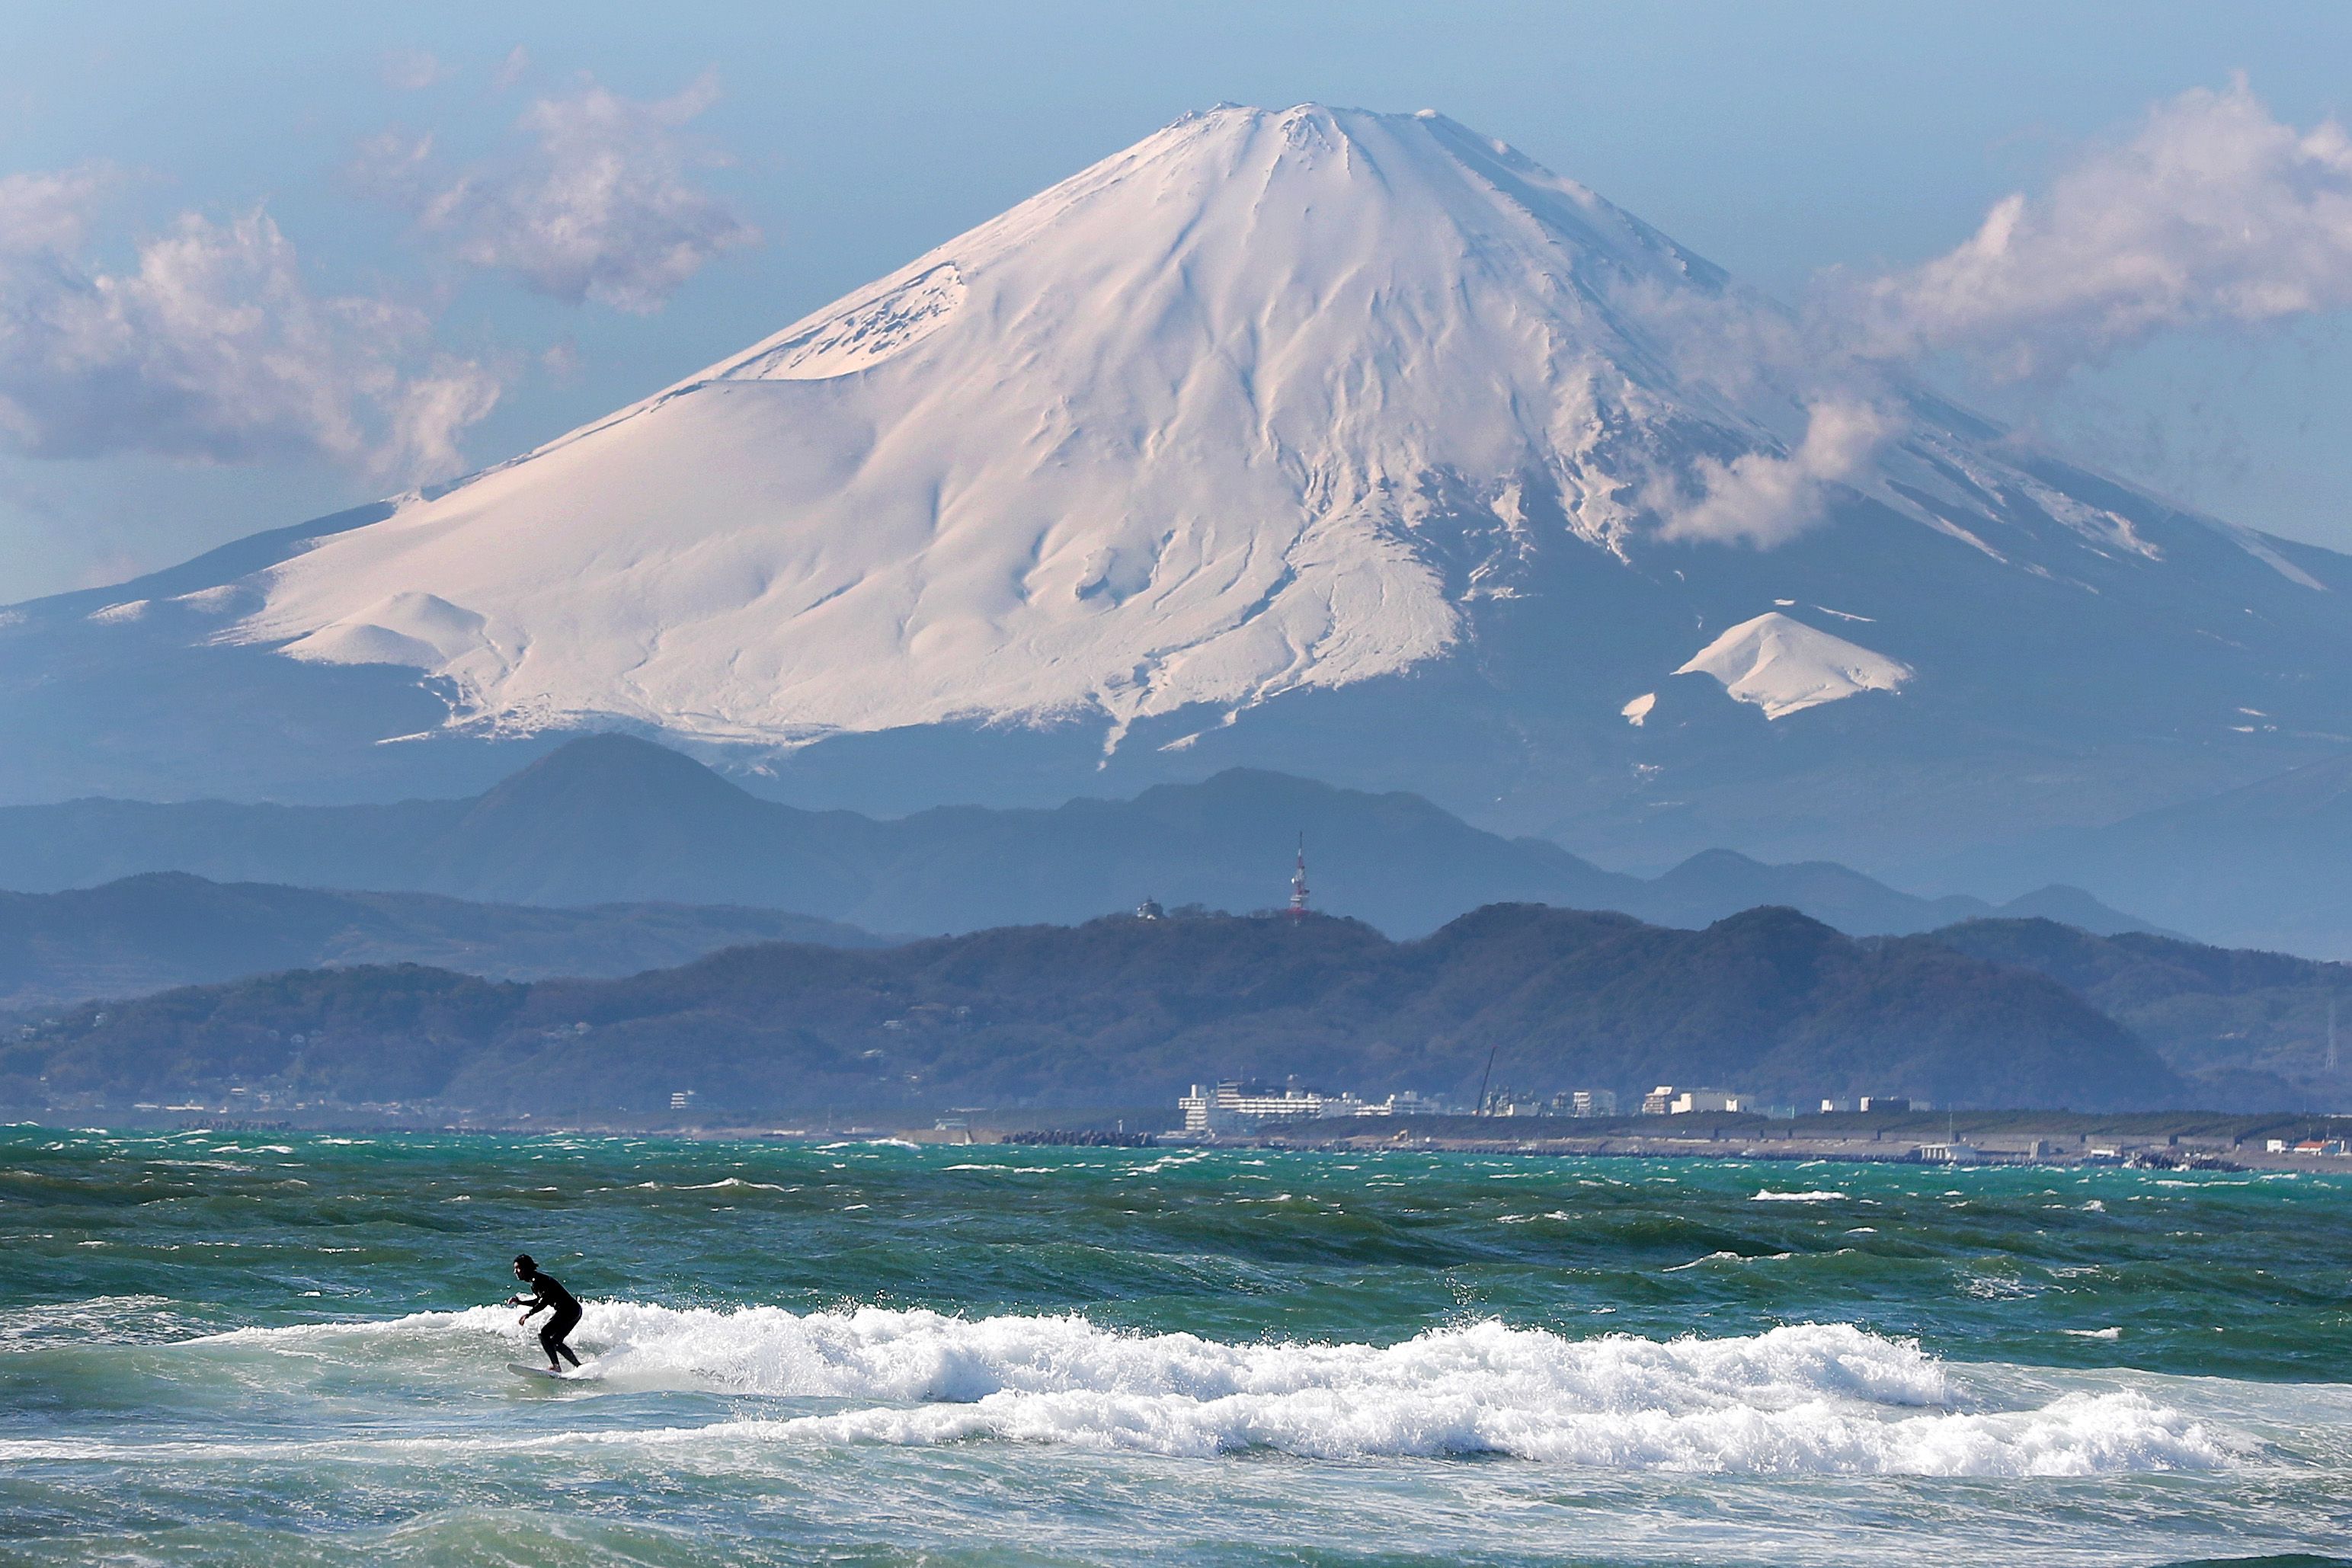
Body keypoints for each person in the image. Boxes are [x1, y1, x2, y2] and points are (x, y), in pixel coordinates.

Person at [506, 1253, 583, 1371]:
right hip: (574, 1310)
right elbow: (539, 1301)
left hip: (568, 1310)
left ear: (526, 1268)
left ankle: (556, 1366)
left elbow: (544, 1301)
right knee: (556, 1342)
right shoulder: (535, 1281)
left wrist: (529, 1314)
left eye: (518, 1268)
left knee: (543, 1334)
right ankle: (579, 1367)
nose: (515, 1272)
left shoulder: (538, 1280)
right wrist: (520, 1302)